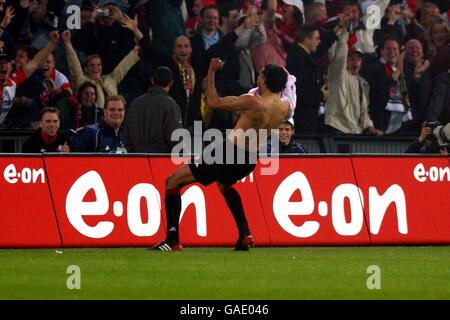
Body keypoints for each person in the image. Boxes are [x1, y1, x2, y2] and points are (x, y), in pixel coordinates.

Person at [153, 59, 291, 251]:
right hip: (250, 159)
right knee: (224, 184)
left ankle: (172, 239)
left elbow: (213, 101)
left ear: (266, 81)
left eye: (260, 74)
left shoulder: (254, 101)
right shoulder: (285, 107)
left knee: (172, 181)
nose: (258, 77)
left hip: (228, 152)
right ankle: (245, 234)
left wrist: (210, 72)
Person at [125, 66, 183, 153]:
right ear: (171, 83)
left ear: (152, 81)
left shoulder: (135, 103)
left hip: (137, 160)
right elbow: (176, 139)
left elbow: (126, 138)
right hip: (161, 161)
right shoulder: (170, 105)